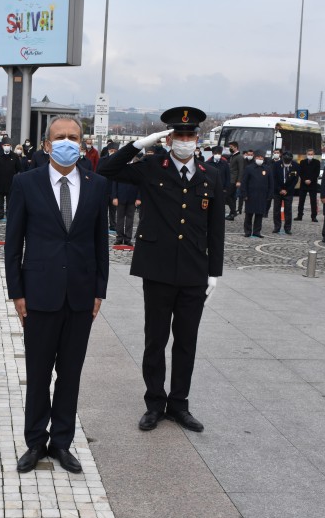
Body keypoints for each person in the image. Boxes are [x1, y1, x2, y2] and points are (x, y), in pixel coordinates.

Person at [98, 107, 224, 434]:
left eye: (189, 135)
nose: (184, 141)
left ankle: (179, 404)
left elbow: (216, 228)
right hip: (157, 269)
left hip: (194, 272)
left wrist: (214, 273)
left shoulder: (211, 174)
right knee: (155, 339)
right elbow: (107, 169)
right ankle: (154, 403)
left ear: (197, 138)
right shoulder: (153, 166)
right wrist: (141, 144)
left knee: (186, 341)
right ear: (168, 138)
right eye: (178, 135)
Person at [4, 115, 109, 474]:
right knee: (38, 373)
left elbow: (100, 243)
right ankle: (35, 442)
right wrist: (16, 291)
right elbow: (13, 241)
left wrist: (100, 291)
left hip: (81, 296)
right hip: (39, 293)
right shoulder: (25, 183)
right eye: (60, 137)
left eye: (73, 137)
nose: (67, 142)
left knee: (70, 374)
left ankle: (61, 442)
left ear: (82, 143)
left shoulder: (97, 184)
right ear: (47, 145)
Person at [241, 152, 274, 238]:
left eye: (261, 158)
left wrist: (270, 195)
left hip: (262, 195)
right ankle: (247, 231)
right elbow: (244, 182)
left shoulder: (267, 169)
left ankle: (257, 231)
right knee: (249, 214)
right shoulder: (249, 168)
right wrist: (244, 194)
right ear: (255, 158)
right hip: (250, 195)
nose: (260, 159)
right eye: (258, 157)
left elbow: (271, 183)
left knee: (259, 215)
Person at [0, 137, 21, 220]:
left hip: (11, 183)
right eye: (5, 145)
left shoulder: (14, 156)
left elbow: (19, 169)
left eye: (8, 145)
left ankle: (9, 214)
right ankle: (0, 214)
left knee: (10, 201)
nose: (7, 146)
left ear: (11, 146)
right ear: (2, 146)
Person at [272, 152, 299, 234]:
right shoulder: (276, 165)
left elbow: (295, 180)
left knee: (288, 210)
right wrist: (280, 189)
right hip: (277, 191)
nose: (287, 163)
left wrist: (287, 190)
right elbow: (274, 178)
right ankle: (277, 227)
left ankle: (287, 228)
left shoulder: (295, 165)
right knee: (276, 210)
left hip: (289, 191)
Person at [112, 177, 140, 246]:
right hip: (120, 197)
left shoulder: (135, 170)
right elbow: (114, 184)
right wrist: (114, 197)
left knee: (130, 220)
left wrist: (138, 198)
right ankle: (119, 238)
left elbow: (140, 184)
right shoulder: (120, 170)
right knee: (119, 219)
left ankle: (128, 239)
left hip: (132, 198)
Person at [295, 148, 320, 222]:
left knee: (313, 202)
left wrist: (310, 180)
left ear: (314, 155)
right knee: (301, 201)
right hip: (303, 184)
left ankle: (314, 217)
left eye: (311, 154)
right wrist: (305, 180)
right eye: (309, 154)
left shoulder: (317, 162)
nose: (310, 155)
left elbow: (317, 173)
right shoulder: (302, 162)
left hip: (313, 184)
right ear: (306, 154)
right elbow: (300, 172)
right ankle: (299, 216)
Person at [205, 146, 230, 219]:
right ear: (212, 153)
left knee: (220, 205)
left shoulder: (225, 164)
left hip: (221, 188)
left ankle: (219, 217)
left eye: (219, 153)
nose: (217, 155)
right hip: (210, 188)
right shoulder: (208, 163)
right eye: (216, 153)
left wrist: (226, 188)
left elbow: (228, 176)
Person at [225, 141, 243, 220]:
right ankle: (232, 214)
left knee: (227, 196)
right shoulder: (233, 156)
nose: (230, 148)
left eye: (231, 147)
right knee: (232, 197)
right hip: (230, 179)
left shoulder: (239, 157)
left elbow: (241, 169)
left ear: (236, 147)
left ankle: (234, 212)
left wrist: (239, 181)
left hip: (234, 180)